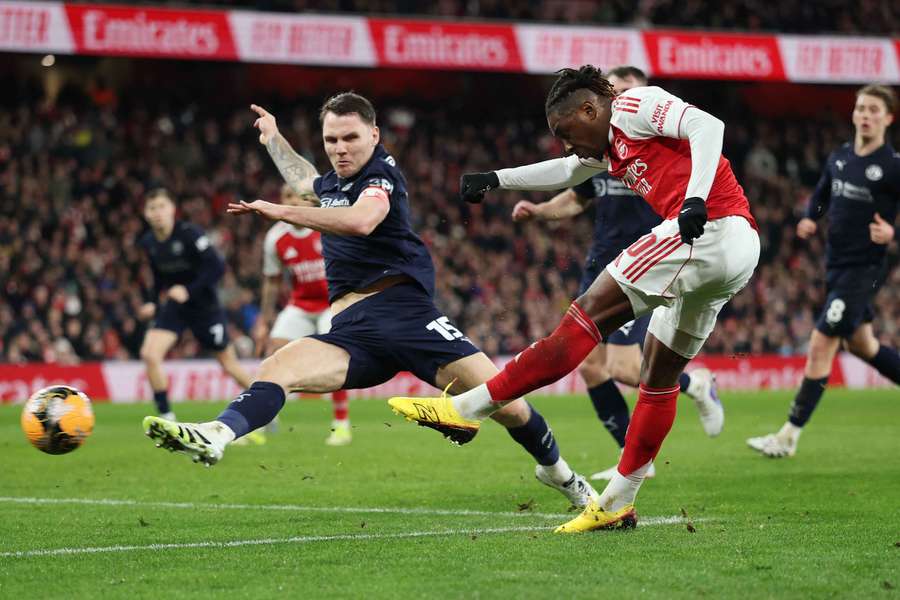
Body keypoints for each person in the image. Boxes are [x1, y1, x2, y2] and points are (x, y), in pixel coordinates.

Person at [142, 93, 600, 509]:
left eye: (350, 138)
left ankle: (560, 475)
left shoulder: (380, 176)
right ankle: (217, 434)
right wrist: (274, 140)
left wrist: (279, 211)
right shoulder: (335, 183)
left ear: (374, 135)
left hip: (406, 316)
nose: (340, 148)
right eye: (331, 140)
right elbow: (309, 181)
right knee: (276, 368)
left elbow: (362, 221)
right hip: (352, 331)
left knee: (511, 407)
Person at [389, 65, 760, 532]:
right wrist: (496, 179)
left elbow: (709, 126)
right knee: (657, 376)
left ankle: (467, 409)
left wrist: (694, 200)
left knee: (582, 322)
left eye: (567, 132)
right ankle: (617, 502)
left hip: (709, 231)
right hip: (732, 251)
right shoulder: (607, 148)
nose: (568, 143)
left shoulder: (632, 105)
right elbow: (565, 170)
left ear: (590, 109)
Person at [511, 66, 722, 481]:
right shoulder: (603, 149)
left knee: (627, 368)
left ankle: (695, 386)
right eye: (613, 91)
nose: (618, 101)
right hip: (601, 263)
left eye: (625, 91)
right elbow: (575, 199)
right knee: (590, 367)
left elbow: (703, 137)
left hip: (644, 261)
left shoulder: (658, 141)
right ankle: (635, 458)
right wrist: (538, 211)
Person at [748, 84, 900, 458]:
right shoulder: (841, 157)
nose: (865, 115)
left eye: (874, 110)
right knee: (861, 344)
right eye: (861, 108)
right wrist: (810, 219)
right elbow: (822, 195)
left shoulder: (893, 165)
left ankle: (788, 435)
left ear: (888, 118)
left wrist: (893, 232)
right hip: (836, 264)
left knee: (821, 342)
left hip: (865, 267)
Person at [137, 188, 253, 420]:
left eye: (161, 206)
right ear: (146, 213)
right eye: (152, 208)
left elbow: (217, 267)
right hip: (175, 307)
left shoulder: (189, 234)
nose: (157, 212)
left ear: (172, 209)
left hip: (204, 306)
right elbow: (158, 277)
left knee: (228, 364)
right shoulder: (149, 242)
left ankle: (264, 405)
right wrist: (152, 303)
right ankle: (166, 418)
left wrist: (189, 290)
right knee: (150, 354)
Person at [253, 183, 351, 446]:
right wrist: (264, 319)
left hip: (332, 303)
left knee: (335, 356)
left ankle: (341, 425)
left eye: (297, 195)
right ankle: (261, 420)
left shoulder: (325, 227)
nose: (292, 200)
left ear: (309, 200)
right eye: (286, 196)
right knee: (273, 354)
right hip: (301, 304)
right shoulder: (275, 238)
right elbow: (272, 281)